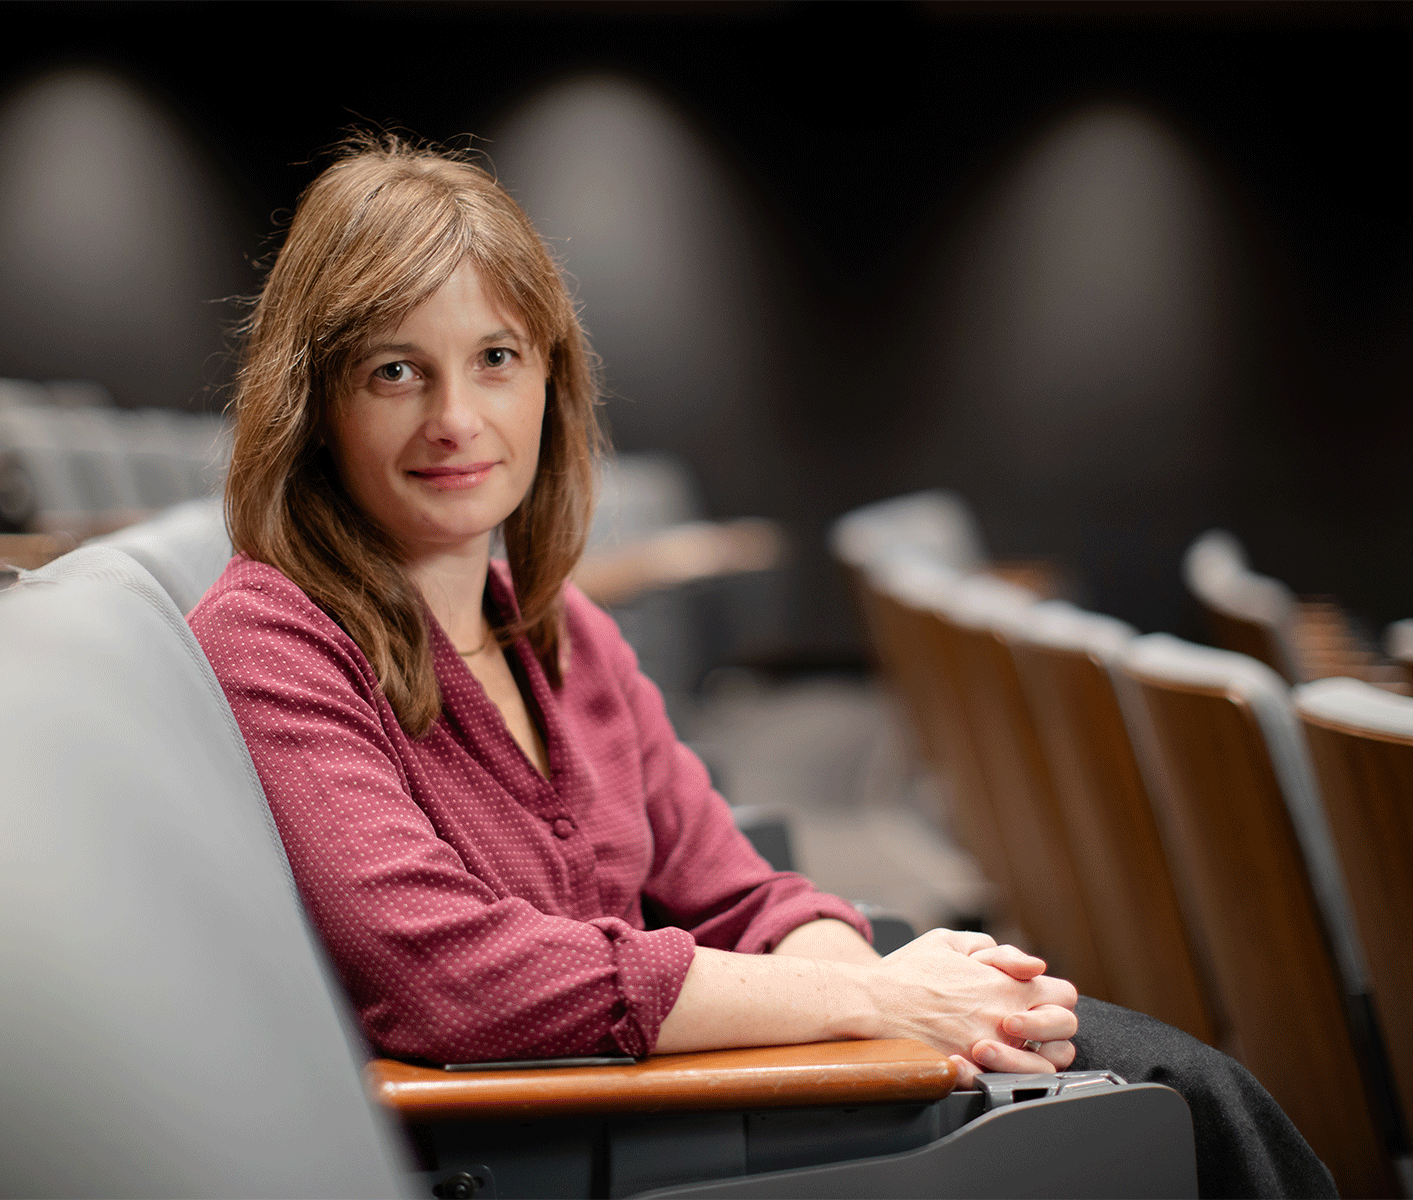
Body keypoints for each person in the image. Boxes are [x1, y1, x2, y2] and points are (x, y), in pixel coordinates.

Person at [189, 136, 1333, 1198]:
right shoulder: (275, 633)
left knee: (1178, 1085)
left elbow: (742, 891)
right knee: (1154, 1113)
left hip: (681, 1094)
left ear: (548, 381)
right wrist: (868, 996)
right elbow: (452, 976)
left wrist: (896, 1010)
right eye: (396, 371)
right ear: (315, 402)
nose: (456, 418)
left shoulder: (561, 629)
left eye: (493, 358)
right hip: (570, 1147)